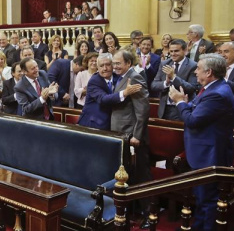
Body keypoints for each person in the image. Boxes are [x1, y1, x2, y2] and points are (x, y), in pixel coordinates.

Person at [168, 53, 234, 231]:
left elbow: (193, 120)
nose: (196, 72)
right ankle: (198, 226)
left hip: (210, 155)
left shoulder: (218, 93)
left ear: (209, 72)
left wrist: (179, 102)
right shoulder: (212, 88)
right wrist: (185, 103)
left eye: (198, 68)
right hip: (203, 152)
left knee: (207, 199)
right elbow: (197, 107)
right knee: (201, 197)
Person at [111, 50, 151, 214]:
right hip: (122, 134)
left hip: (132, 135)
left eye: (118, 63)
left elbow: (143, 109)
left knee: (141, 174)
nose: (115, 66)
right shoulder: (120, 77)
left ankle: (149, 212)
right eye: (114, 63)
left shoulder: (134, 77)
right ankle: (134, 211)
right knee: (129, 174)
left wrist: (137, 135)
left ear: (128, 63)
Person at [78, 53, 141, 130]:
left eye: (107, 64)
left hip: (111, 124)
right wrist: (124, 93)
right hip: (91, 125)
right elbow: (103, 99)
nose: (105, 68)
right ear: (97, 67)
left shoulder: (118, 77)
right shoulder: (94, 81)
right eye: (101, 66)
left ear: (113, 65)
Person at [151, 39, 198, 121]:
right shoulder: (164, 63)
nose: (173, 54)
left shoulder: (193, 65)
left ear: (185, 50)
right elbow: (154, 85)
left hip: (182, 107)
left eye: (176, 51)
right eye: (171, 51)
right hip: (164, 108)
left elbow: (192, 88)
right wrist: (166, 83)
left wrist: (174, 78)